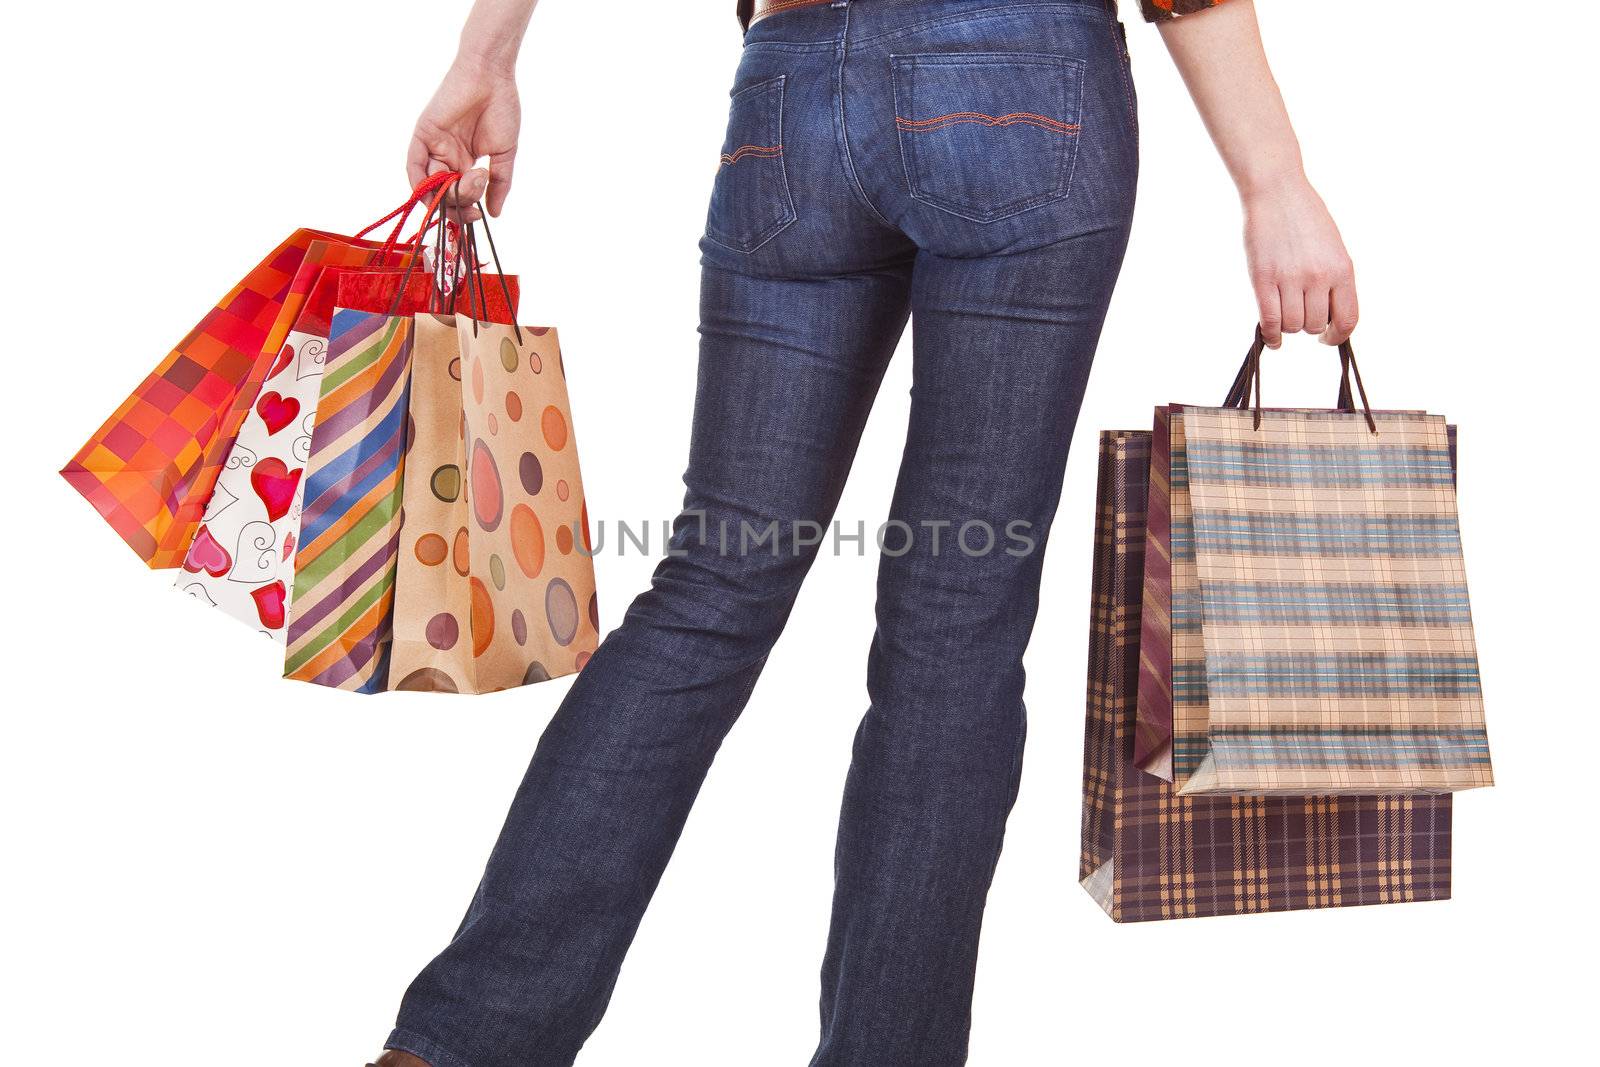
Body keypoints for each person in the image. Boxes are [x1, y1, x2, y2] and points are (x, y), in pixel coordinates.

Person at [371, 1, 1356, 1064]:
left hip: (790, 96)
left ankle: (460, 1044)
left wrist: (485, 56)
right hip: (1020, 89)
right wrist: (1273, 180)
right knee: (956, 615)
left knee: (709, 588)